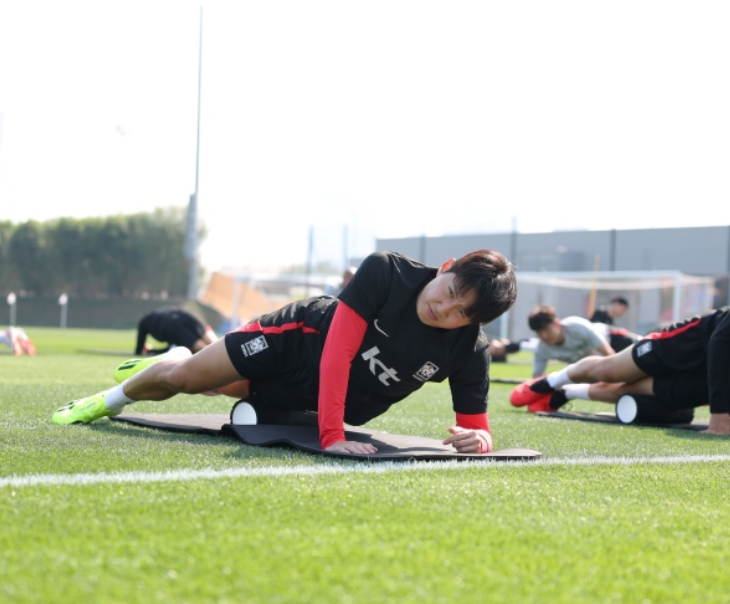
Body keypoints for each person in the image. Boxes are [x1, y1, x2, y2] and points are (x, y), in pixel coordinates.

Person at [51, 249, 518, 455]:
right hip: (295, 342)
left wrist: (479, 440)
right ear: (447, 267)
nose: (446, 309)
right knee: (186, 382)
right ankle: (107, 399)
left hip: (313, 399)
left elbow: (477, 429)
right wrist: (332, 435)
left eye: (463, 312)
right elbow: (337, 354)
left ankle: (173, 358)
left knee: (224, 393)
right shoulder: (386, 272)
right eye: (451, 290)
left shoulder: (469, 350)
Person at [511, 306, 730, 435]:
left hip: (707, 374)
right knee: (609, 370)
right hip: (683, 346)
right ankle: (550, 381)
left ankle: (566, 392)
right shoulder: (572, 329)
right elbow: (721, 342)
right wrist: (720, 417)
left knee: (628, 391)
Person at [527, 304, 639, 378]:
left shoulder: (577, 327)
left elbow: (609, 354)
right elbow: (536, 377)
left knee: (645, 348)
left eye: (546, 330)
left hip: (613, 339)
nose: (544, 336)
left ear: (556, 323)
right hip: (596, 363)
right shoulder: (541, 348)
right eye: (539, 333)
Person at [132, 307, 218, 355]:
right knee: (215, 345)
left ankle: (218, 357)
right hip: (187, 314)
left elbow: (138, 350)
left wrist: (148, 351)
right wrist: (151, 350)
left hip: (174, 323)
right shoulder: (159, 317)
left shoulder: (145, 322)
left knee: (202, 350)